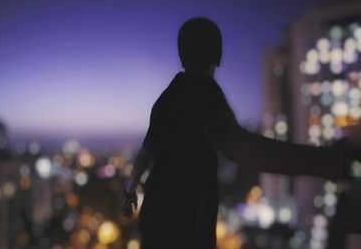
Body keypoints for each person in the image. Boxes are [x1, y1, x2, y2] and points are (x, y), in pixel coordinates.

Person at [121, 17, 361, 249]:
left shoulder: (166, 100)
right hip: (187, 223)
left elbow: (145, 155)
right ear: (219, 57)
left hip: (156, 217)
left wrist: (129, 190)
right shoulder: (206, 96)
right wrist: (322, 162)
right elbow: (238, 146)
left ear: (181, 56)